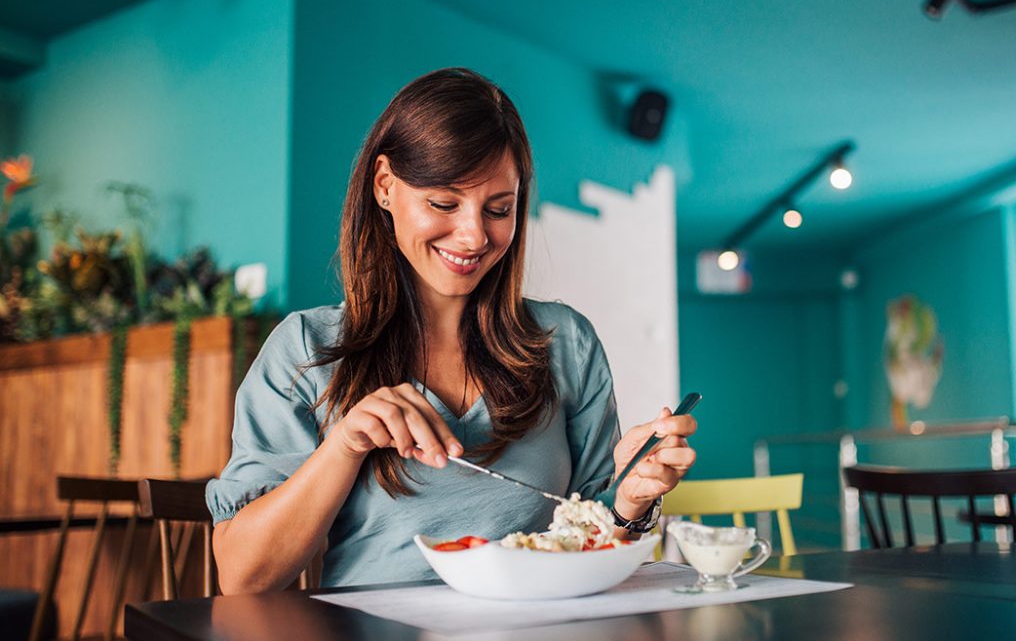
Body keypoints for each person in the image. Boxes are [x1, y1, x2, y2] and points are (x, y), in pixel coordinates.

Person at [207, 67, 698, 594]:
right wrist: (344, 445)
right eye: (443, 203)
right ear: (385, 187)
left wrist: (630, 501)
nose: (472, 236)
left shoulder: (566, 342)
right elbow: (243, 577)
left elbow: (593, 539)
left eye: (499, 209)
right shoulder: (305, 350)